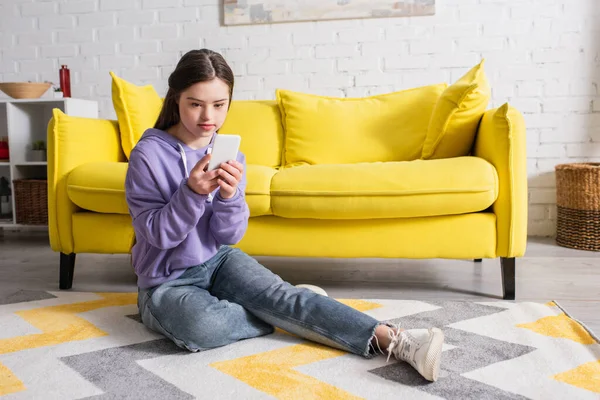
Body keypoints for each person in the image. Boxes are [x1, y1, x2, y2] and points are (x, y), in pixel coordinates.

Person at [125, 49, 444, 382]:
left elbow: (229, 236)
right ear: (176, 98)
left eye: (220, 105)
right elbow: (158, 235)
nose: (209, 117)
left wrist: (230, 196)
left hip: (216, 261)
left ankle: (400, 341)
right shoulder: (148, 154)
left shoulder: (229, 153)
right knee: (202, 327)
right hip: (165, 282)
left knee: (283, 299)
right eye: (196, 104)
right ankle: (285, 308)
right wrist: (192, 193)